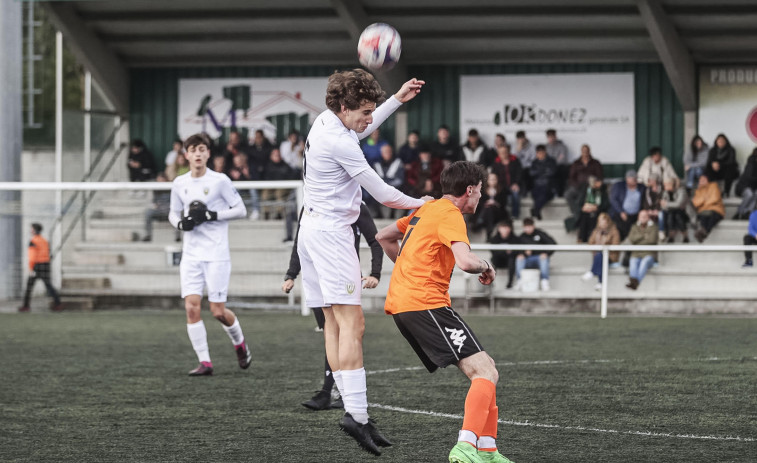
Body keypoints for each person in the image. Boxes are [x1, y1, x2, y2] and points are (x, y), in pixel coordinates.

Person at [297, 69, 426, 455]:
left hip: (312, 231)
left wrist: (396, 100)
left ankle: (357, 413)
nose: (369, 119)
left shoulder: (326, 121)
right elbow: (384, 193)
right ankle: (357, 415)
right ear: (343, 107)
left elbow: (358, 131)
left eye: (372, 110)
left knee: (337, 325)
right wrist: (425, 203)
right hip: (332, 237)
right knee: (355, 324)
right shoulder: (339, 140)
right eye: (365, 111)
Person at [375, 161, 515, 463]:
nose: (480, 197)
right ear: (469, 190)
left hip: (409, 303)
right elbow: (465, 262)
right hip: (425, 303)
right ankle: (465, 447)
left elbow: (383, 237)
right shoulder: (450, 214)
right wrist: (488, 267)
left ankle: (488, 450)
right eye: (480, 191)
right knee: (484, 372)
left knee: (488, 368)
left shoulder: (427, 209)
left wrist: (406, 269)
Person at [282, 203, 382, 411]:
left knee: (342, 330)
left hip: (342, 275)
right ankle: (337, 393)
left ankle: (331, 393)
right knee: (330, 330)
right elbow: (300, 241)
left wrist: (375, 273)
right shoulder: (310, 206)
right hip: (318, 277)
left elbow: (375, 240)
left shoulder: (356, 206)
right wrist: (291, 274)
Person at [168, 133, 250, 376]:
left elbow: (241, 210)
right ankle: (205, 362)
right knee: (191, 308)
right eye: (193, 150)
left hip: (216, 253)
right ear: (186, 155)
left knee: (217, 311)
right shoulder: (179, 183)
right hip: (191, 254)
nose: (198, 154)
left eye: (202, 149)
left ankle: (240, 343)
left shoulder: (220, 181)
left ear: (208, 153)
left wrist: (212, 215)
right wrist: (180, 224)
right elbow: (173, 213)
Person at [18, 223, 62, 313]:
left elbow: (32, 257)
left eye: (31, 229)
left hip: (37, 266)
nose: (30, 230)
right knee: (48, 285)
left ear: (34, 230)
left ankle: (26, 306)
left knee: (29, 287)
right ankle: (58, 303)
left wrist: (31, 269)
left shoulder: (33, 241)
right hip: (46, 265)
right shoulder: (44, 240)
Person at [582, 212, 621, 291]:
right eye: (600, 222)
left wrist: (604, 246)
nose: (602, 224)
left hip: (610, 256)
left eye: (603, 222)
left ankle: (592, 272)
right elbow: (590, 243)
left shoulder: (614, 231)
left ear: (607, 222)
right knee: (600, 256)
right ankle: (600, 282)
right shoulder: (596, 231)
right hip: (598, 256)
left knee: (601, 255)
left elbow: (615, 245)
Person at [516, 217, 556, 291]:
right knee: (519, 258)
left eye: (529, 227)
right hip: (527, 259)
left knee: (544, 258)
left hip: (539, 258)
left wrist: (546, 253)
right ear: (523, 227)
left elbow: (553, 243)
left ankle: (544, 281)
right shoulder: (522, 237)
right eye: (526, 227)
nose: (528, 229)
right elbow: (517, 250)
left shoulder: (540, 234)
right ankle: (520, 280)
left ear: (533, 226)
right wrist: (524, 253)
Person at [565, 144, 603, 220]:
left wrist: (597, 183)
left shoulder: (596, 163)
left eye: (586, 151)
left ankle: (584, 215)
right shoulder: (576, 163)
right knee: (568, 194)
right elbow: (571, 177)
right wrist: (576, 185)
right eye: (583, 151)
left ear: (589, 151)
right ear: (581, 152)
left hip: (591, 187)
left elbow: (600, 177)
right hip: (578, 186)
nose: (585, 153)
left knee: (585, 197)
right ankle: (577, 213)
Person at [368, 144, 405, 218]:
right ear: (381, 153)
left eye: (389, 151)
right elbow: (373, 180)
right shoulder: (376, 164)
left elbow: (400, 180)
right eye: (385, 152)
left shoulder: (398, 163)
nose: (388, 153)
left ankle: (394, 217)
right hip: (380, 191)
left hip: (394, 190)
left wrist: (387, 186)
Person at [142, 172, 179, 242]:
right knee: (148, 213)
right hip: (159, 211)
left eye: (162, 180)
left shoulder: (171, 189)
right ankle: (148, 235)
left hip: (169, 211)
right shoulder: (155, 190)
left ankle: (178, 236)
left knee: (177, 213)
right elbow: (152, 202)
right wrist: (154, 205)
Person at [626, 209, 658, 290]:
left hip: (649, 254)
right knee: (633, 261)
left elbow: (652, 240)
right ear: (638, 217)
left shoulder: (653, 227)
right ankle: (635, 282)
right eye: (641, 216)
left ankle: (635, 283)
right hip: (636, 254)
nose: (643, 218)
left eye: (645, 216)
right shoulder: (634, 226)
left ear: (648, 217)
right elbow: (632, 239)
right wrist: (644, 235)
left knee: (644, 262)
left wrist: (639, 238)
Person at [609, 169, 646, 240]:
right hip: (621, 214)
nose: (634, 180)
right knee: (620, 226)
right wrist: (621, 211)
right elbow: (613, 200)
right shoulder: (619, 186)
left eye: (635, 178)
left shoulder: (642, 187)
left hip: (636, 215)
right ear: (627, 179)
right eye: (632, 178)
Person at [490, 144, 523, 219]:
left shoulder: (515, 160)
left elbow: (519, 173)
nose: (503, 154)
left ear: (508, 152)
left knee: (515, 195)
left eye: (505, 152)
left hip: (513, 185)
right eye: (501, 152)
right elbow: (494, 175)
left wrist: (516, 183)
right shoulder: (496, 163)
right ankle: (502, 216)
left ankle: (515, 214)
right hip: (501, 186)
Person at [472, 172, 509, 237]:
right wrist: (486, 203)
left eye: (494, 179)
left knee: (490, 209)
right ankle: (489, 230)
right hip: (486, 211)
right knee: (488, 209)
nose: (492, 181)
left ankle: (479, 222)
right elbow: (479, 203)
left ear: (497, 180)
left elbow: (504, 203)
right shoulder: (482, 190)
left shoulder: (502, 190)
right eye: (491, 179)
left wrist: (495, 203)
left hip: (498, 212)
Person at [575, 175, 609, 243]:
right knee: (584, 217)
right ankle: (581, 237)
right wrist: (585, 207)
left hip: (598, 211)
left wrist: (596, 208)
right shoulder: (586, 190)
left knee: (595, 217)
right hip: (586, 211)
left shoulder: (602, 191)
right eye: (597, 182)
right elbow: (580, 202)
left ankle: (592, 238)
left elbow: (605, 204)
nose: (599, 183)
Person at [692, 174, 725, 242]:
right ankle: (704, 233)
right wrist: (705, 199)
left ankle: (703, 233)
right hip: (704, 211)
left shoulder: (713, 185)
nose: (702, 181)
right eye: (700, 180)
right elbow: (695, 203)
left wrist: (703, 203)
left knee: (712, 215)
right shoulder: (698, 190)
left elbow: (715, 198)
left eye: (704, 179)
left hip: (716, 209)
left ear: (707, 180)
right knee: (703, 216)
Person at [489, 220, 520, 289]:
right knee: (494, 260)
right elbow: (493, 251)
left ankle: (510, 283)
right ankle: (490, 282)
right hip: (498, 260)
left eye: (506, 228)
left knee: (512, 260)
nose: (505, 230)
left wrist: (506, 252)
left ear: (510, 229)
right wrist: (506, 252)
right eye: (503, 228)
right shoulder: (495, 239)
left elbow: (517, 251)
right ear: (499, 229)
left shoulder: (514, 239)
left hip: (509, 261)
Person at [528, 144, 556, 220]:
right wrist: (543, 170)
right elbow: (531, 173)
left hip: (548, 185)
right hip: (537, 185)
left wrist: (539, 171)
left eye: (542, 152)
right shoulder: (534, 162)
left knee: (544, 194)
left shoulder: (551, 161)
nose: (540, 154)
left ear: (545, 152)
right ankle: (537, 210)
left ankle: (536, 210)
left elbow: (551, 172)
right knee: (536, 194)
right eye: (538, 153)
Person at [660, 177, 690, 243]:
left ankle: (685, 236)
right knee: (670, 217)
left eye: (666, 185)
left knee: (678, 217)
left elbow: (678, 204)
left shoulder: (681, 191)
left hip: (683, 211)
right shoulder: (665, 192)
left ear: (671, 184)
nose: (664, 186)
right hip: (671, 211)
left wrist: (667, 204)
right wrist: (665, 205)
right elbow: (663, 205)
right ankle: (671, 237)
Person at [545, 129, 570, 196]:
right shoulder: (545, 147)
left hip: (559, 167)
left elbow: (562, 159)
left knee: (561, 169)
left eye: (552, 137)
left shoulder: (562, 146)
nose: (551, 139)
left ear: (555, 136)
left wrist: (554, 163)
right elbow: (545, 159)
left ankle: (559, 193)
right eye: (549, 137)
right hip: (549, 167)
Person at [734, 147, 757, 219]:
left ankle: (748, 213)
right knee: (750, 194)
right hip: (743, 187)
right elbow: (748, 178)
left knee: (756, 194)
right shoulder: (751, 164)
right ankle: (739, 212)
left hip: (753, 188)